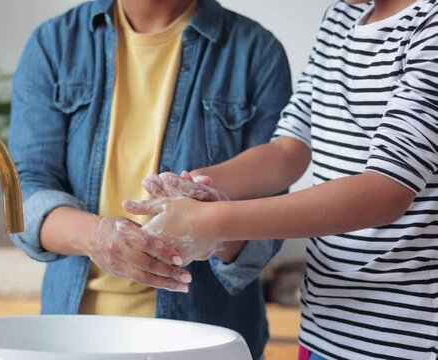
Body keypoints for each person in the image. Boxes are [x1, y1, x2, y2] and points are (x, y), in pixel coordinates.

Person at [125, 1, 438, 359]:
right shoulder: (341, 18)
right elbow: (289, 150)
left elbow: (384, 192)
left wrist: (210, 221)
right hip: (324, 330)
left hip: (407, 340)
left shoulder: (430, 24)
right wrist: (198, 184)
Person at [8, 0, 292, 357]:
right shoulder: (54, 44)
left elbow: (270, 213)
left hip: (202, 339)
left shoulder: (255, 52)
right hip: (72, 335)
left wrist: (215, 227)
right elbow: (25, 190)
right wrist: (96, 237)